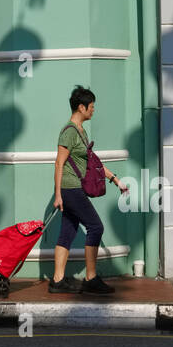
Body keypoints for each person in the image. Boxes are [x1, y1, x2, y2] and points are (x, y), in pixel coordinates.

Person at [50, 85, 128, 294]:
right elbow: (59, 163)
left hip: (74, 188)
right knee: (96, 227)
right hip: (70, 188)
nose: (93, 110)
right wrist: (58, 195)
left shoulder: (81, 132)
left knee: (67, 231)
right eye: (91, 106)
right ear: (81, 107)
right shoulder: (68, 132)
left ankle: (57, 281)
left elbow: (92, 163)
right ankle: (91, 278)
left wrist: (115, 180)